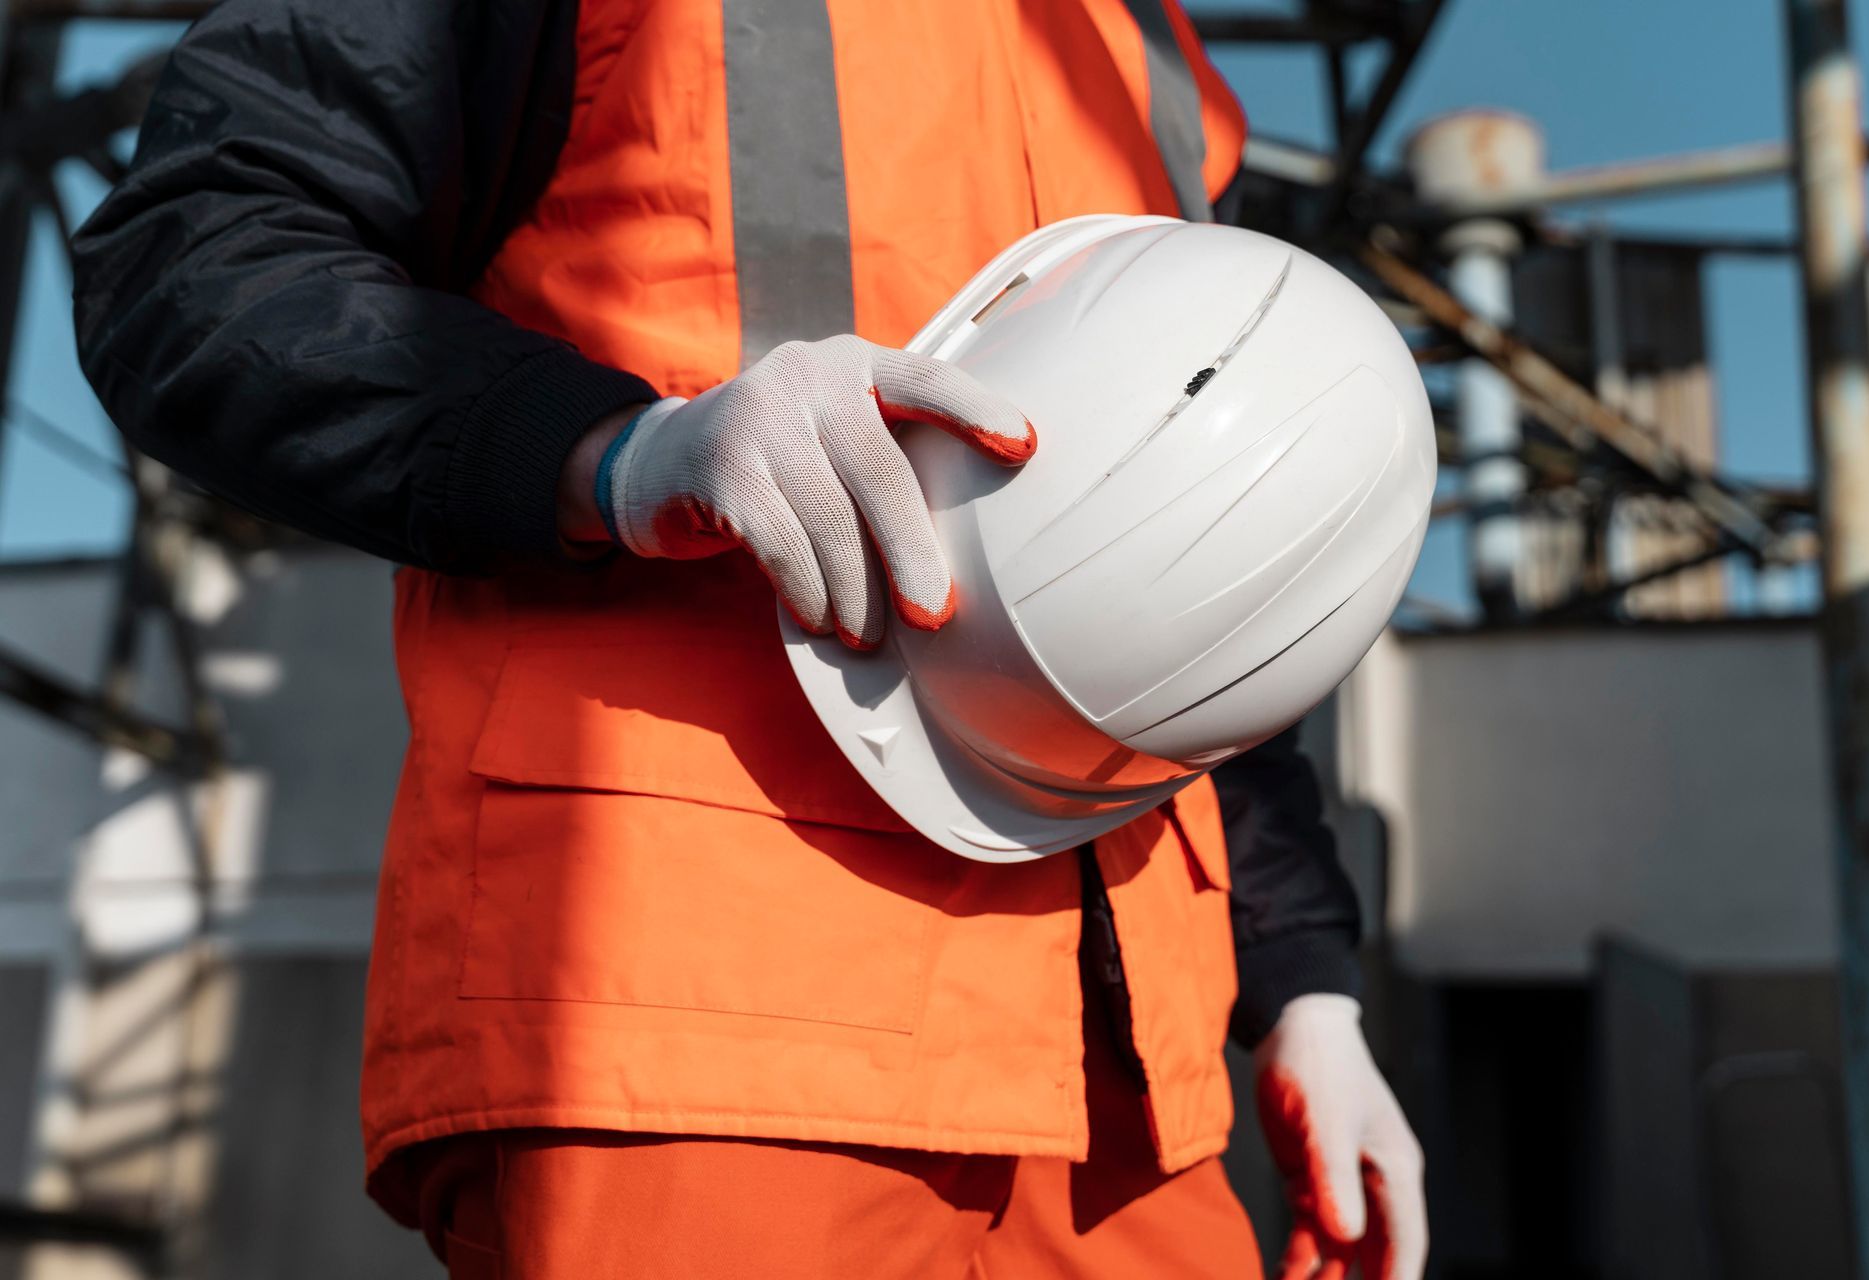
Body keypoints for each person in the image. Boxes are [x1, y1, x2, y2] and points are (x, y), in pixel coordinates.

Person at [72, 2, 1425, 1276]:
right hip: (696, 1018)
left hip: (1125, 1098)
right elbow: (202, 259)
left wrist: (1308, 989)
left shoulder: (1142, 42)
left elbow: (1197, 579)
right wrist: (614, 450)